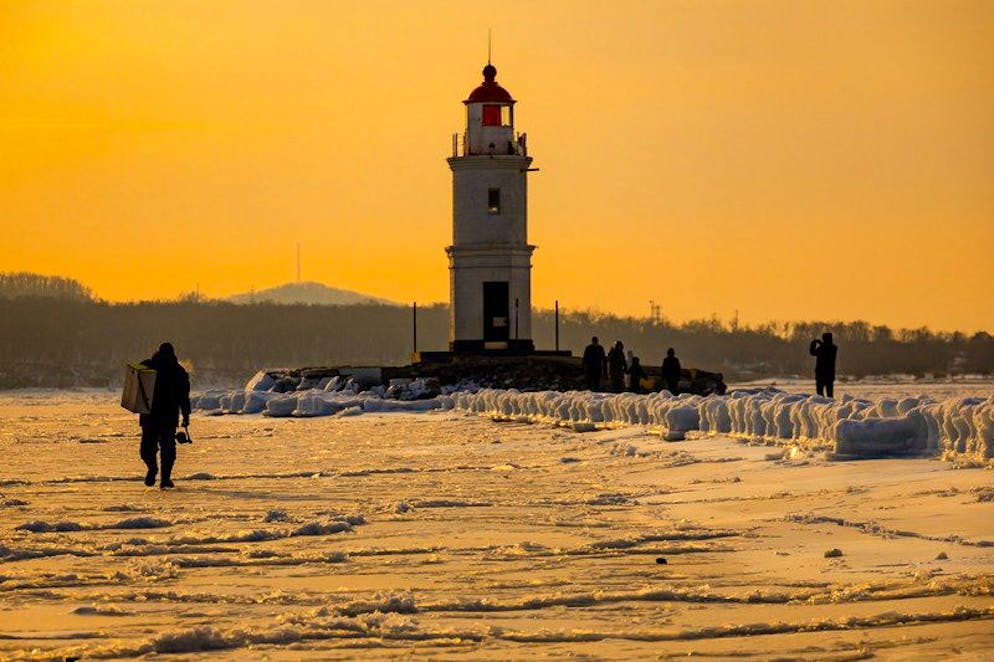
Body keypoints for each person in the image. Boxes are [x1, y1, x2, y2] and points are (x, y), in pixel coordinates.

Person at [138, 342, 190, 489]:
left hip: (149, 415)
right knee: (168, 449)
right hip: (168, 416)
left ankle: (152, 468)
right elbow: (183, 397)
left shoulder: (149, 365)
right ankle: (165, 479)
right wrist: (186, 416)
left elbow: (135, 372)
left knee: (147, 447)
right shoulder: (179, 371)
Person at [809, 332, 838, 398]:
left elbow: (813, 352)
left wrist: (815, 343)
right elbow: (813, 352)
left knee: (822, 394)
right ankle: (828, 405)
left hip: (821, 374)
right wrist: (815, 343)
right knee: (827, 394)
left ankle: (825, 405)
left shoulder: (826, 348)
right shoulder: (833, 348)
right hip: (828, 374)